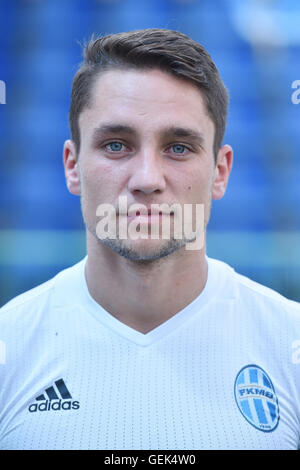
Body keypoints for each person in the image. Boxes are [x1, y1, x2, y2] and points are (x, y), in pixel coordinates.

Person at [0, 28, 299, 451]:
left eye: (178, 148)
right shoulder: (9, 348)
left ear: (220, 172)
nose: (146, 180)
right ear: (72, 165)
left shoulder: (290, 344)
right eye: (117, 144)